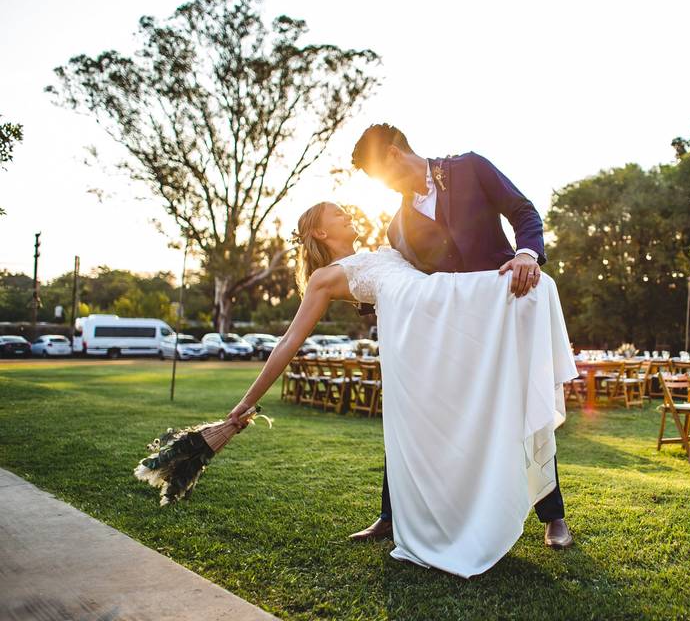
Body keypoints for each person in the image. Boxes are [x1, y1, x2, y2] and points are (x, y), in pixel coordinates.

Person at [227, 202, 576, 578]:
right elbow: (289, 341)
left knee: (533, 292)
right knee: (409, 430)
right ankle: (394, 517)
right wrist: (248, 401)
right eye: (338, 214)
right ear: (320, 232)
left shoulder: (383, 250)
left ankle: (552, 516)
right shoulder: (324, 278)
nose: (348, 214)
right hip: (417, 335)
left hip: (442, 315)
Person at [346, 124, 575, 550]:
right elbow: (402, 283)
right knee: (415, 410)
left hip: (508, 313)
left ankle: (553, 517)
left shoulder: (470, 168)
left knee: (526, 406)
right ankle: (390, 515)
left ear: (394, 154)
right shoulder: (397, 227)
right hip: (450, 335)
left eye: (378, 173)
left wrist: (526, 253)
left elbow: (524, 211)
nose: (382, 186)